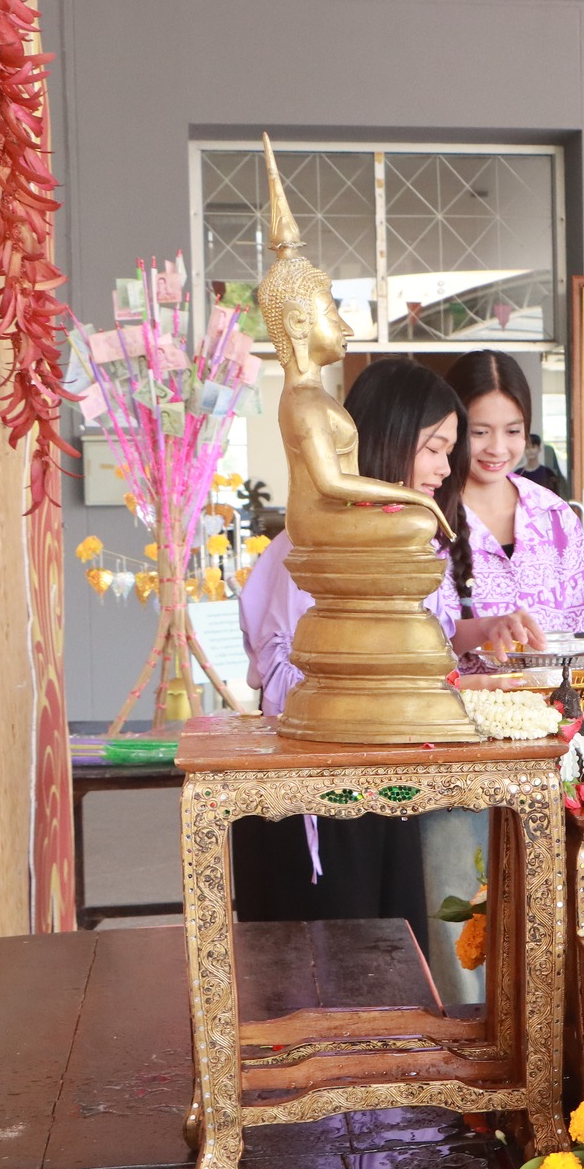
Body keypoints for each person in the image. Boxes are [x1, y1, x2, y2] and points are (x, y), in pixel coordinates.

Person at [236, 360, 536, 997]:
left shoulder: (402, 540)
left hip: (389, 788)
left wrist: (480, 632)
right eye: (433, 448)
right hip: (321, 796)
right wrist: (450, 693)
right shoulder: (315, 545)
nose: (445, 468)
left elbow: (412, 644)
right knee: (327, 977)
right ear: (384, 439)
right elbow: (291, 683)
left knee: (396, 967)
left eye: (449, 451)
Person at [444, 349, 584, 636]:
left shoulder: (555, 516)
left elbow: (582, 633)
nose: (497, 448)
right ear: (451, 429)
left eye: (512, 431)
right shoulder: (425, 518)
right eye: (480, 432)